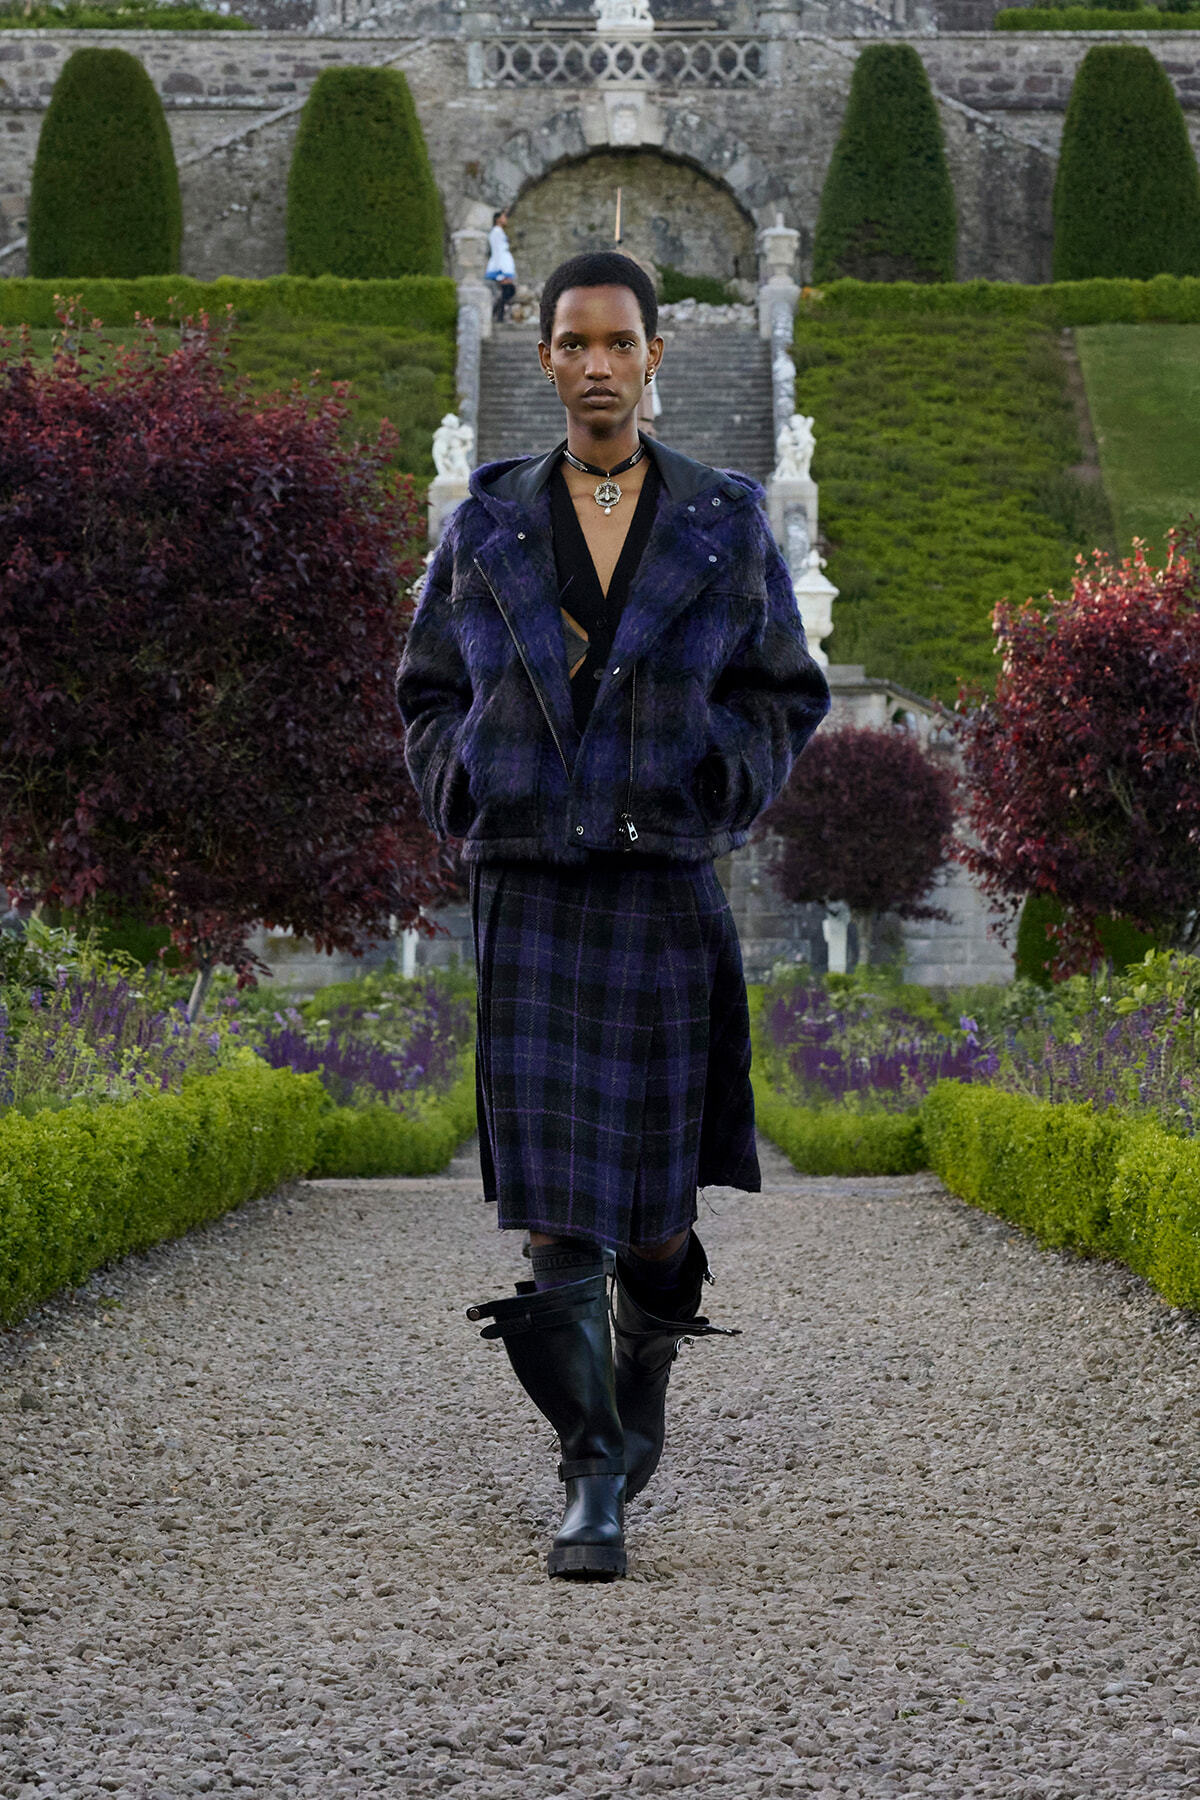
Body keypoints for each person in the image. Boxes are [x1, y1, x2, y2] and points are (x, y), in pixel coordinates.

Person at [395, 251, 830, 1581]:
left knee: (651, 1217)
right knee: (551, 1216)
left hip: (656, 886)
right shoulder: (486, 527)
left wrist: (722, 781)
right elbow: (423, 689)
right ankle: (588, 1470)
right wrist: (465, 787)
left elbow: (782, 690)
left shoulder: (721, 518)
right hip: (530, 883)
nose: (596, 363)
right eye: (573, 342)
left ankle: (643, 1360)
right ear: (545, 360)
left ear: (651, 358)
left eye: (617, 343)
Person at [486, 209, 517, 323]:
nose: (506, 219)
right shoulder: (496, 232)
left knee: (507, 291)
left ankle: (496, 314)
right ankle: (497, 315)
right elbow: (497, 250)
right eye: (503, 217)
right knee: (507, 290)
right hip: (501, 265)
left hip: (505, 264)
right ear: (497, 219)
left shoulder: (499, 232)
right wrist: (500, 269)